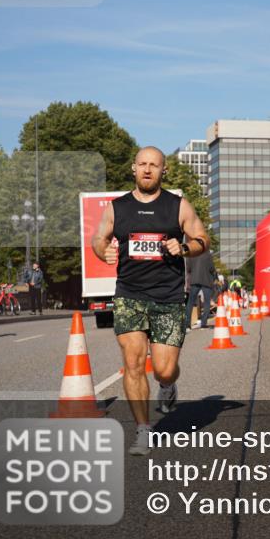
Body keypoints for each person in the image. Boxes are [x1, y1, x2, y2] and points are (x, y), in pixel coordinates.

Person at [92, 146, 209, 455]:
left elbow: (202, 239)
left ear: (163, 171)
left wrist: (184, 248)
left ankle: (168, 386)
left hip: (168, 297)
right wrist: (100, 250)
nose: (147, 170)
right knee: (132, 363)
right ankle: (144, 430)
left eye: (153, 165)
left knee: (164, 369)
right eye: (142, 164)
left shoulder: (178, 206)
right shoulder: (117, 208)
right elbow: (98, 238)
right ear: (134, 168)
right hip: (129, 294)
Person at [185, 249, 217, 329]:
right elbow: (211, 268)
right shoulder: (207, 254)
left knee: (190, 302)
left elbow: (188, 269)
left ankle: (187, 324)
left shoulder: (191, 254)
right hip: (206, 280)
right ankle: (203, 323)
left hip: (195, 279)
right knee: (207, 302)